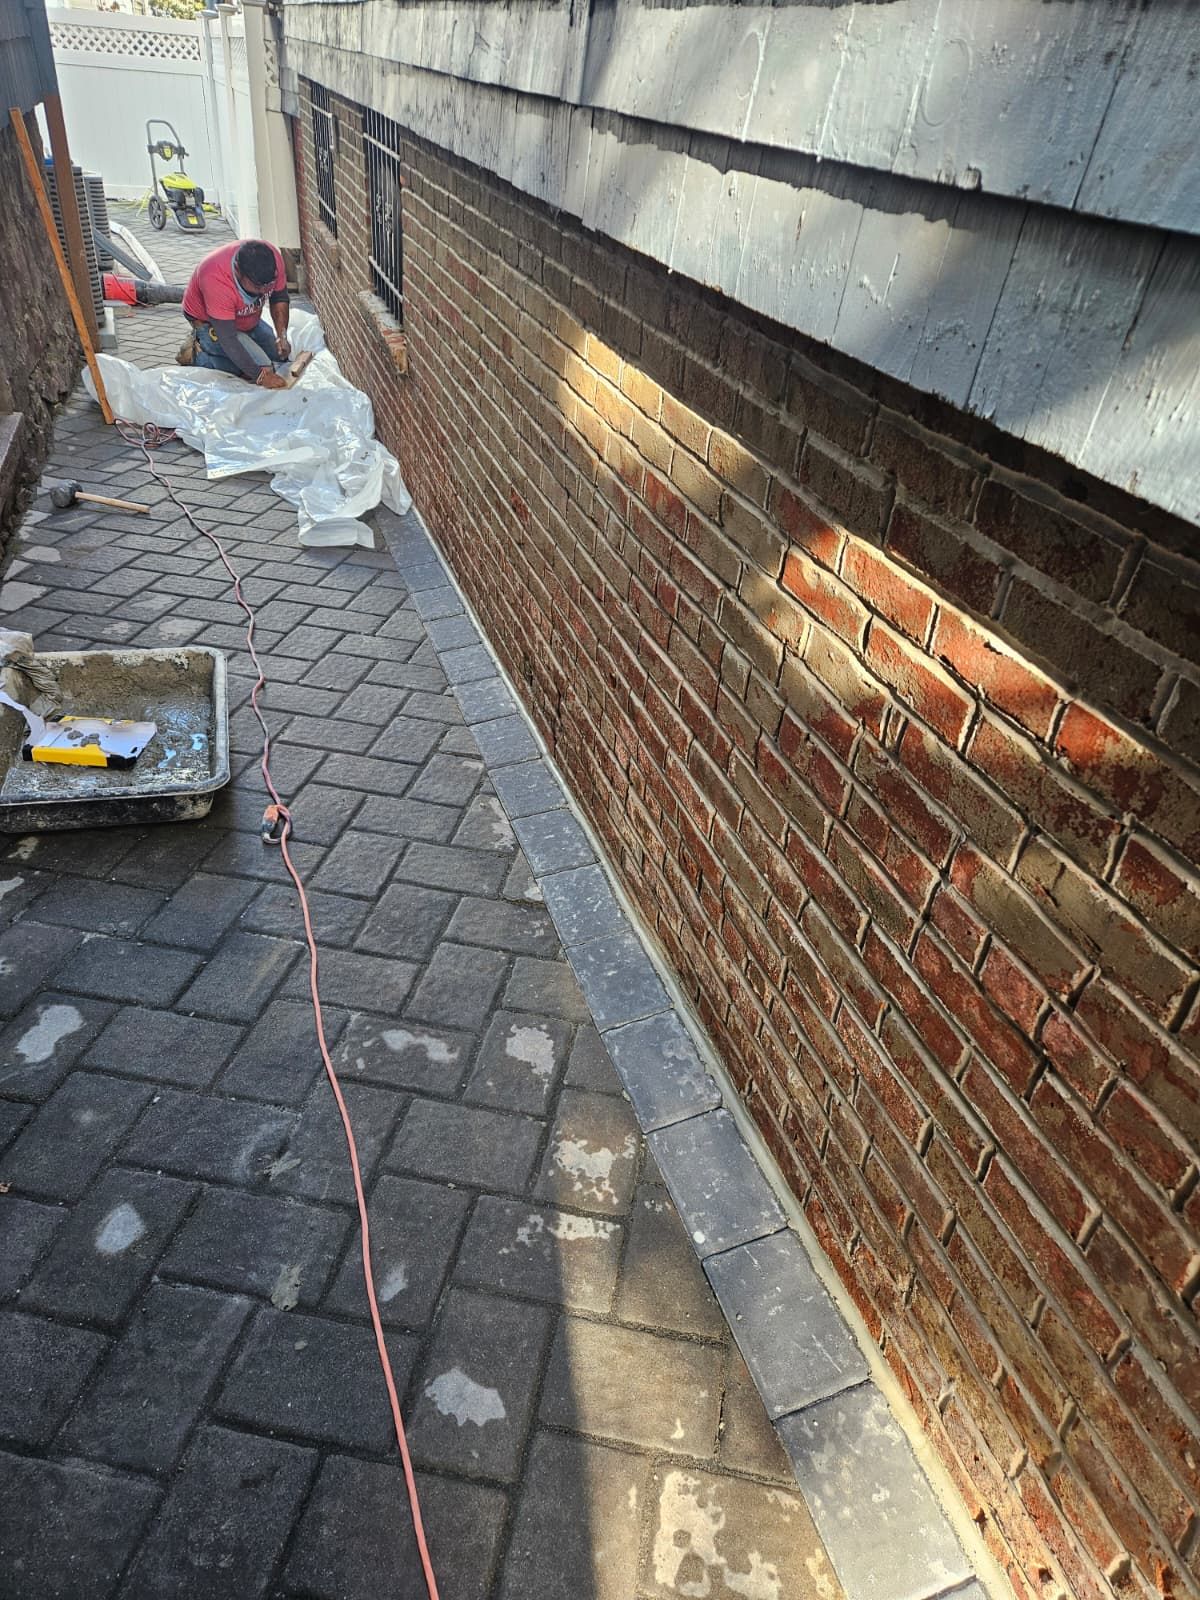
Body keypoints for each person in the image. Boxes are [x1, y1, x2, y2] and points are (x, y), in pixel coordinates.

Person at [178, 239, 291, 390]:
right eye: (258, 286)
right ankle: (199, 354)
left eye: (268, 285)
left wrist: (281, 335)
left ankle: (243, 344)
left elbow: (279, 297)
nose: (264, 291)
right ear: (238, 270)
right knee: (264, 368)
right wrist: (260, 376)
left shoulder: (272, 258)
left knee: (279, 355)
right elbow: (228, 338)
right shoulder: (215, 278)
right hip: (211, 323)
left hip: (245, 318)